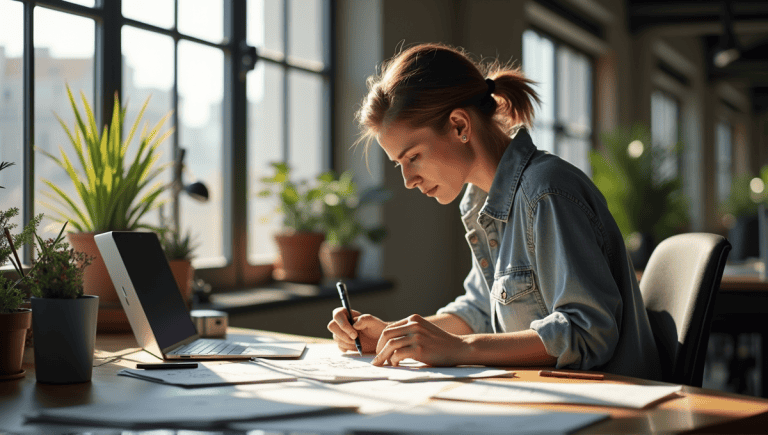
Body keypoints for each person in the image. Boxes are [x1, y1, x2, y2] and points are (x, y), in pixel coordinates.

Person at [327, 42, 662, 381]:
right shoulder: (479, 201)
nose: (408, 180)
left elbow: (588, 333)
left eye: (412, 157)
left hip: (610, 407)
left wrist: (462, 349)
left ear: (460, 126)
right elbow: (480, 310)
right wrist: (393, 335)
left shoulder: (546, 192)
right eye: (399, 163)